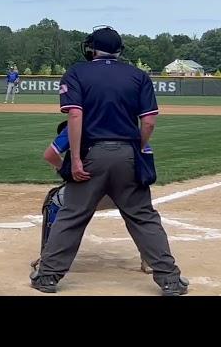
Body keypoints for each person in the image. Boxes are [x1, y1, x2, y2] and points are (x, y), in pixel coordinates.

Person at [30, 25, 188, 296]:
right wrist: (135, 148)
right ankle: (169, 279)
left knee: (72, 215)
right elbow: (149, 121)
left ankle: (47, 276)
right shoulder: (138, 75)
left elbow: (76, 116)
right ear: (118, 51)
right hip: (128, 153)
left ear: (92, 49)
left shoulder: (77, 72)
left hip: (92, 153)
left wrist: (76, 159)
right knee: (143, 217)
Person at [33, 120, 153, 274]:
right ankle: (150, 260)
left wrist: (67, 169)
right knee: (141, 212)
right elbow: (145, 158)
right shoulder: (129, 128)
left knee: (54, 201)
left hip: (87, 193)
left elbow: (50, 155)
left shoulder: (75, 126)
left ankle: (47, 259)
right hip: (126, 193)